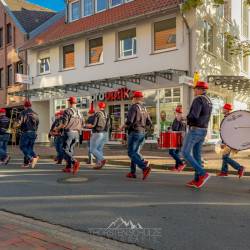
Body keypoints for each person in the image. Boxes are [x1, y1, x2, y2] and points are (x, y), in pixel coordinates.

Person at [182, 81, 213, 188]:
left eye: (195, 89)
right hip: (203, 130)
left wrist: (185, 118)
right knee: (197, 156)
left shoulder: (198, 99)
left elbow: (194, 116)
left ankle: (203, 174)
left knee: (185, 153)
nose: (194, 91)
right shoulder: (209, 101)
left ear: (200, 90)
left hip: (195, 130)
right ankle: (197, 180)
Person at [124, 91, 152, 180]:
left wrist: (122, 127)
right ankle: (132, 172)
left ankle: (144, 167)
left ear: (135, 98)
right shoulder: (144, 108)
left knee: (131, 152)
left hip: (135, 132)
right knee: (134, 152)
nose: (132, 99)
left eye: (132, 98)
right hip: (142, 133)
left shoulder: (134, 107)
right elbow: (149, 123)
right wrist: (143, 130)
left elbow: (130, 121)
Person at [55, 97, 84, 174]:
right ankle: (68, 167)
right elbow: (82, 124)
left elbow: (64, 124)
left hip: (69, 133)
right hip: (77, 133)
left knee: (64, 149)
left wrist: (57, 128)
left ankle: (74, 162)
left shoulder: (67, 111)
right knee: (70, 150)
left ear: (69, 102)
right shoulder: (79, 112)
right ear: (75, 103)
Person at [217, 103, 245, 178]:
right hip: (228, 140)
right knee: (224, 156)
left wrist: (225, 142)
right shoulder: (228, 118)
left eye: (224, 108)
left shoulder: (229, 119)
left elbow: (230, 131)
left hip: (229, 140)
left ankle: (240, 168)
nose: (223, 109)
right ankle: (224, 171)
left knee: (225, 157)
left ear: (227, 110)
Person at [87, 102, 109, 170]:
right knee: (99, 149)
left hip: (97, 133)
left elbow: (93, 125)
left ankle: (102, 160)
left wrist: (87, 126)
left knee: (92, 149)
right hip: (105, 133)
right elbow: (108, 125)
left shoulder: (98, 113)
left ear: (98, 106)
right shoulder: (106, 114)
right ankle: (99, 164)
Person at [18, 100, 39, 168]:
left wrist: (16, 125)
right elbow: (37, 123)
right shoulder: (35, 113)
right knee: (29, 148)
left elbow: (19, 122)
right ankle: (26, 163)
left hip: (26, 132)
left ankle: (33, 157)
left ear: (24, 106)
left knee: (22, 146)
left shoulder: (23, 112)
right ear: (30, 106)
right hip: (33, 133)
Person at [169, 106, 186, 171]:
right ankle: (176, 167)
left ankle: (182, 163)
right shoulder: (183, 119)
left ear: (177, 112)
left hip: (176, 137)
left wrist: (171, 130)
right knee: (177, 152)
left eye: (175, 112)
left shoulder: (177, 119)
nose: (175, 113)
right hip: (182, 138)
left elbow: (175, 129)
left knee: (171, 152)